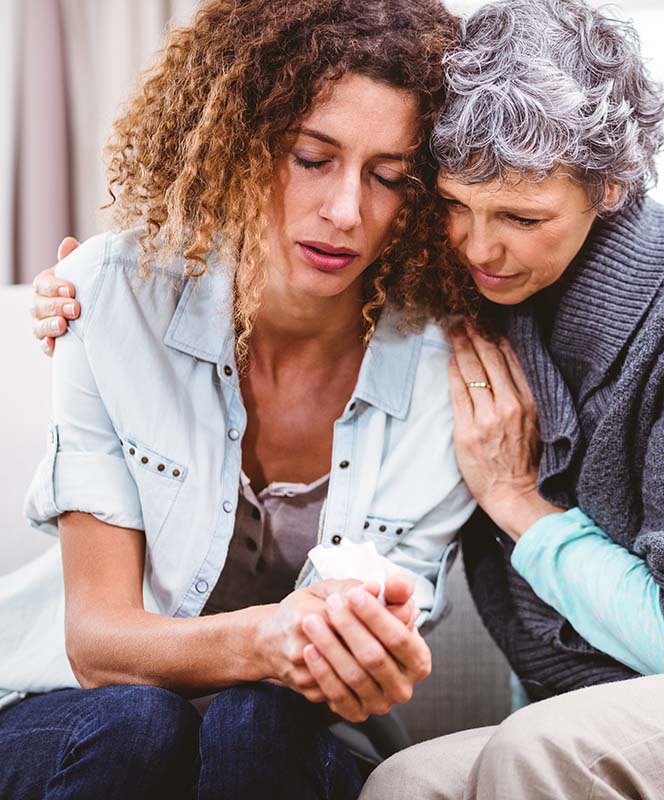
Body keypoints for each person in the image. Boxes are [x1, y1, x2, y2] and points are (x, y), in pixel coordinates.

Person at [32, 1, 664, 798]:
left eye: (522, 218)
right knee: (403, 785)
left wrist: (517, 505)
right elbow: (202, 263)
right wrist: (94, 283)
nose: (480, 249)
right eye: (453, 205)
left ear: (611, 190)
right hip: (651, 701)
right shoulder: (471, 297)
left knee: (533, 754)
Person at [2, 1, 474, 798]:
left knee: (257, 719)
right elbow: (98, 642)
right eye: (311, 157)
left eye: (389, 177)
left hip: (284, 740)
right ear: (239, 142)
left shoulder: (446, 373)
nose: (346, 211)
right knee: (139, 722)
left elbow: (372, 640)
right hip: (75, 711)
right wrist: (270, 635)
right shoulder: (113, 300)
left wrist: (362, 643)